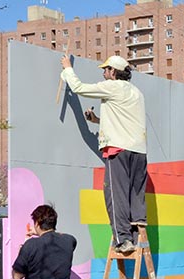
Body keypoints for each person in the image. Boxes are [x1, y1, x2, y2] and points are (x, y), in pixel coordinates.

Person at [60, 54, 147, 254]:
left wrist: (67, 68)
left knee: (115, 195)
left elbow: (80, 88)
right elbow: (124, 119)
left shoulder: (113, 87)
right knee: (135, 194)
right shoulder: (137, 93)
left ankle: (123, 239)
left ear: (114, 72)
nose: (103, 73)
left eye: (106, 69)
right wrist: (97, 120)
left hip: (118, 149)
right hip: (139, 151)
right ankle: (136, 232)